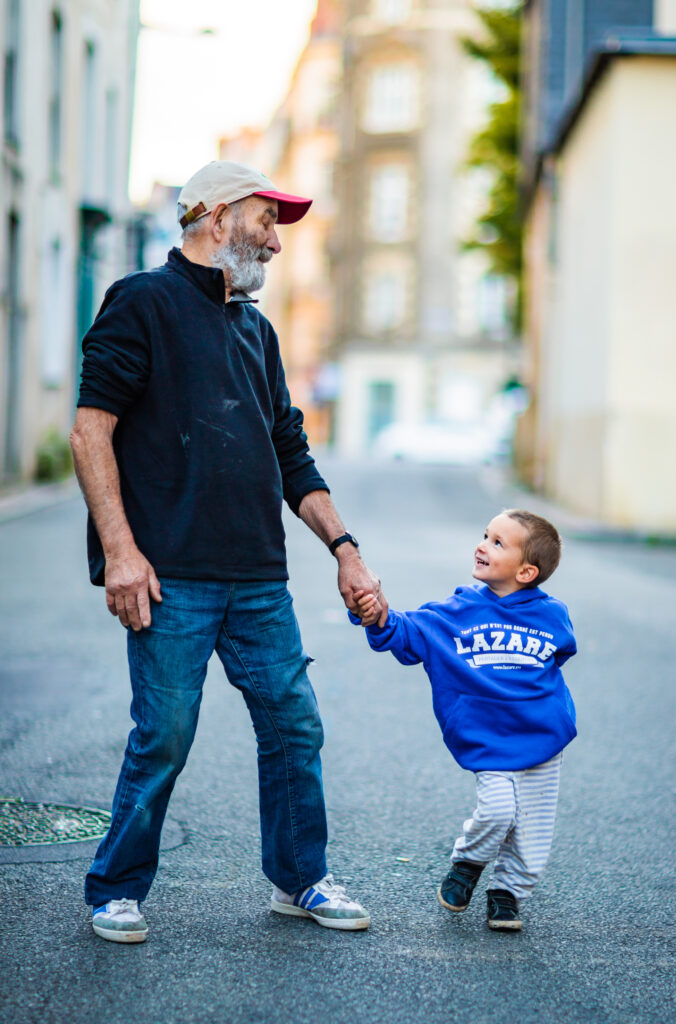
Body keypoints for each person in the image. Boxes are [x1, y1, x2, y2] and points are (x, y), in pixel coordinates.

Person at [70, 160, 383, 944]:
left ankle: (299, 878)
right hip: (167, 575)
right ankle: (115, 887)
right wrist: (120, 552)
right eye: (265, 220)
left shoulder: (256, 331)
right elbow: (90, 429)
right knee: (165, 735)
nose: (275, 242)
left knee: (293, 725)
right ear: (215, 216)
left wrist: (344, 549)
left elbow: (290, 451)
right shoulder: (142, 302)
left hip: (257, 580)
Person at [350, 509, 577, 932]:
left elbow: (559, 655)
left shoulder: (553, 615)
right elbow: (403, 631)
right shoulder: (456, 612)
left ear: (527, 572)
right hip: (489, 740)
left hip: (545, 738)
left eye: (497, 542)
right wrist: (374, 611)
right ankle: (468, 862)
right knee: (496, 812)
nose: (482, 545)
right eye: (485, 535)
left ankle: (507, 893)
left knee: (532, 830)